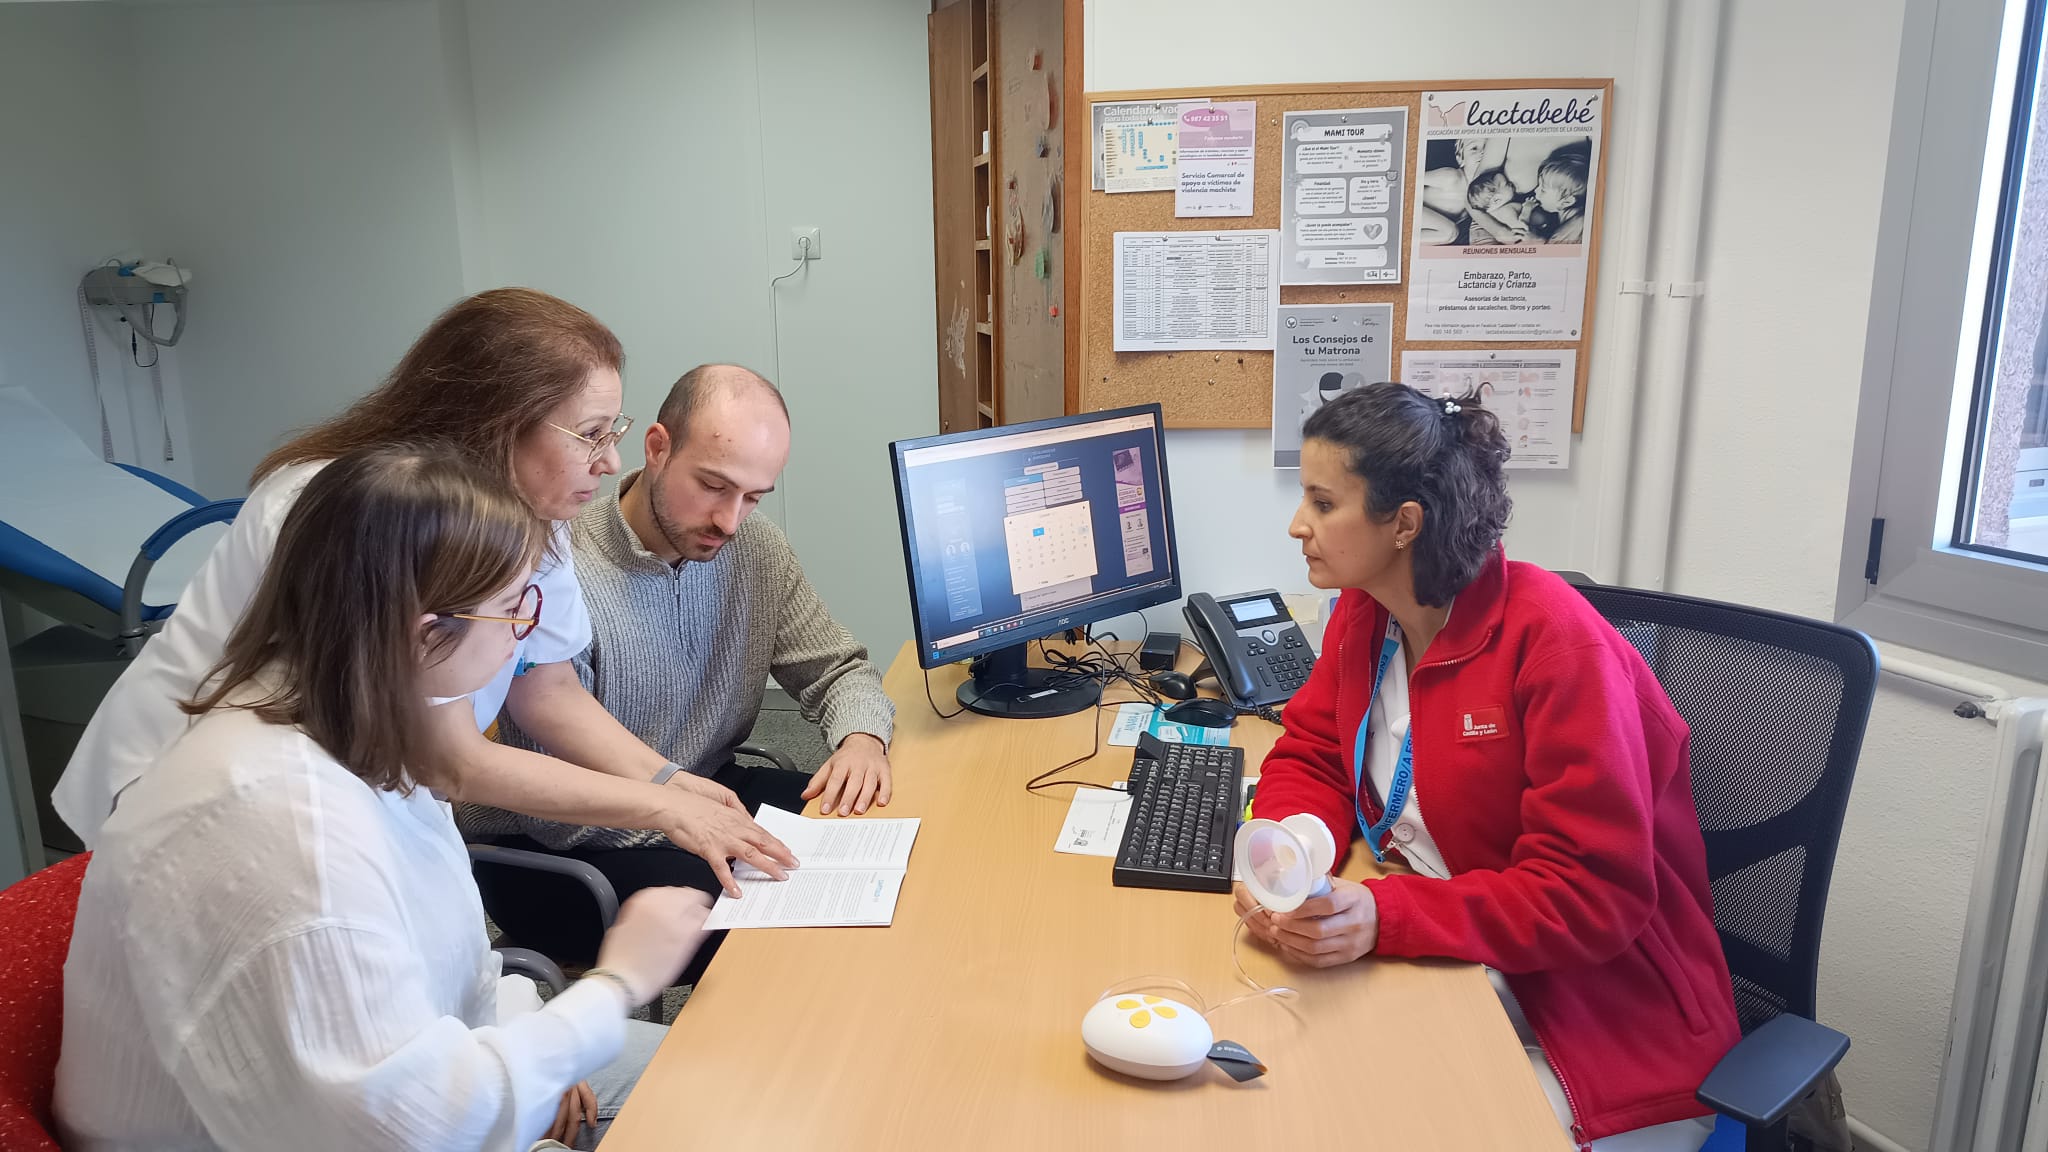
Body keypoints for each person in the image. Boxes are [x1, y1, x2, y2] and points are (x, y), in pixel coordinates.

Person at [56, 447, 711, 1152]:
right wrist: (616, 983)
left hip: (430, 1080)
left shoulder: (355, 724)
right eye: (513, 611)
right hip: (379, 1125)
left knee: (735, 1082)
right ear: (427, 635)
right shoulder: (287, 822)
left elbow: (451, 978)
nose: (526, 632)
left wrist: (538, 1038)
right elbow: (414, 1129)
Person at [52, 288, 796, 898]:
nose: (610, 462)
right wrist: (661, 805)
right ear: (502, 422)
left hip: (344, 798)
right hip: (195, 800)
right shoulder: (349, 510)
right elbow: (451, 758)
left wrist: (673, 783)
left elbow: (547, 689)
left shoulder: (525, 512)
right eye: (592, 433)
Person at [1238, 383, 1740, 1150]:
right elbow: (1310, 749)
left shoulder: (1556, 646)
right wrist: (1297, 852)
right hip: (1460, 959)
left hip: (1596, 1017)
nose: (1297, 524)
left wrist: (1385, 916)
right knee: (1284, 1092)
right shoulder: (1368, 610)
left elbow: (1590, 896)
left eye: (1323, 501)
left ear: (1404, 524)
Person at [468, 364, 895, 977]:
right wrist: (687, 817)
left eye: (753, 498)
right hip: (557, 848)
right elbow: (551, 803)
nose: (731, 520)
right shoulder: (561, 562)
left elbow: (839, 669)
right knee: (789, 929)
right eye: (714, 487)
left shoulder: (755, 550)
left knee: (872, 837)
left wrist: (862, 738)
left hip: (704, 792)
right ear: (658, 448)